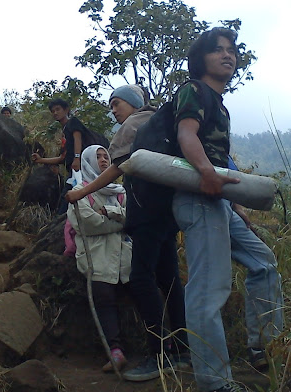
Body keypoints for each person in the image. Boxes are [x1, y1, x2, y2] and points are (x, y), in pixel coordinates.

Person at [172, 27, 283, 392]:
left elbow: (222, 158)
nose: (228, 54)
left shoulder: (219, 104)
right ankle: (214, 382)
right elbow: (186, 135)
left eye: (231, 49)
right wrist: (205, 172)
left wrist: (235, 203)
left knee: (263, 262)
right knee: (208, 288)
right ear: (200, 58)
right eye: (217, 49)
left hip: (219, 200)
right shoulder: (194, 90)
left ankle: (266, 347)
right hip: (197, 197)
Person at [66, 84, 190, 382]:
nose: (113, 109)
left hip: (145, 211)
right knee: (170, 280)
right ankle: (183, 350)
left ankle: (158, 354)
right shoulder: (161, 122)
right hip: (168, 211)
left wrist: (81, 193)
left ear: (133, 103)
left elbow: (118, 169)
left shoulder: (133, 126)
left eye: (117, 103)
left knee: (141, 279)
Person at [66, 145, 131, 373]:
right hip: (97, 255)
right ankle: (115, 351)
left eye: (106, 157)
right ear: (87, 162)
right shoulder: (80, 191)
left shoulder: (121, 191)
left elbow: (132, 217)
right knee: (104, 297)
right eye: (98, 157)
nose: (104, 160)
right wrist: (119, 220)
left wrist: (109, 213)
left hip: (125, 256)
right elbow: (86, 223)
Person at [31, 98, 86, 214]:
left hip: (80, 169)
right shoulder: (64, 131)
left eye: (58, 109)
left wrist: (77, 158)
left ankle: (57, 224)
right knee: (66, 198)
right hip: (74, 171)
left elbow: (78, 138)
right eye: (53, 111)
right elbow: (62, 158)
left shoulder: (73, 122)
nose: (55, 113)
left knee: (66, 198)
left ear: (66, 110)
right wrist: (41, 160)